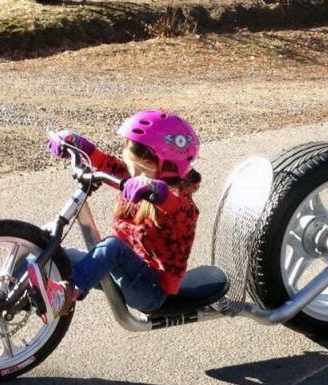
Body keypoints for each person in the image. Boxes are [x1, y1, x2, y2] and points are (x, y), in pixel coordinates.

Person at [28, 110, 202, 315]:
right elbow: (107, 164)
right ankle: (5, 289)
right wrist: (79, 145)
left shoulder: (183, 207)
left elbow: (175, 206)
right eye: (130, 168)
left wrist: (156, 190)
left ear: (168, 166)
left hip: (151, 291)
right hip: (120, 271)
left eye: (138, 171)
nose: (132, 176)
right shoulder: (134, 175)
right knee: (57, 253)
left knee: (112, 246)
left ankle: (68, 294)